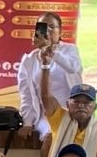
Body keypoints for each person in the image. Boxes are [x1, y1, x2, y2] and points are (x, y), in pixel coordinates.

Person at [13, 13, 83, 141]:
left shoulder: (70, 50)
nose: (48, 31)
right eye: (44, 27)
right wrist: (27, 123)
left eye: (52, 27)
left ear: (60, 32)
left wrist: (51, 51)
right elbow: (26, 95)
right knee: (50, 137)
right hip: (46, 116)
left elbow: (73, 67)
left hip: (71, 113)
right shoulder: (29, 60)